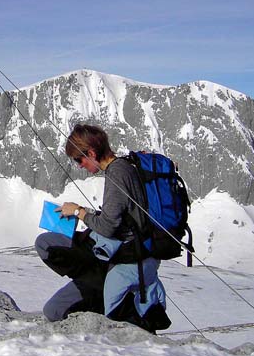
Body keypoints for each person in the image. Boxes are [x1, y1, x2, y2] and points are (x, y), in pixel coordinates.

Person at [34, 124, 170, 332]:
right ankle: (92, 287)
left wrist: (79, 211)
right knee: (53, 308)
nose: (79, 166)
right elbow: (123, 218)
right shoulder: (125, 167)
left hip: (121, 260)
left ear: (91, 153)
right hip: (123, 256)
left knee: (45, 245)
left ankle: (104, 298)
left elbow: (107, 226)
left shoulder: (117, 174)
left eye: (79, 160)